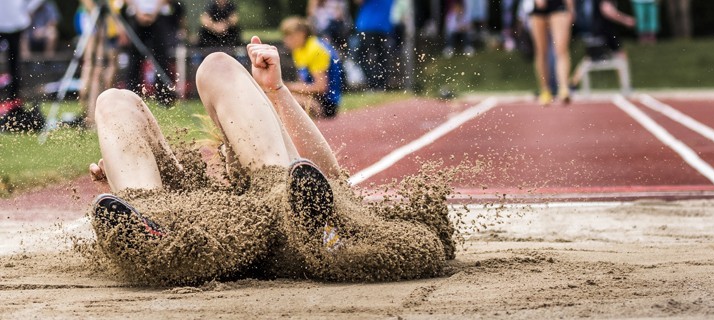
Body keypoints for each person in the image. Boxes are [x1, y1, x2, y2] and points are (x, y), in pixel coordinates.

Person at [87, 36, 452, 284]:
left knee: (217, 65)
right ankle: (142, 227)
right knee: (113, 101)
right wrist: (120, 183)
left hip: (280, 214)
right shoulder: (205, 194)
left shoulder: (287, 173)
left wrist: (276, 90)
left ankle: (320, 232)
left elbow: (328, 175)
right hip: (193, 228)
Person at [279, 17, 343, 118]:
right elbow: (303, 83)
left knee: (280, 99)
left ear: (302, 34)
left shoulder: (315, 49)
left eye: (290, 36)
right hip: (312, 98)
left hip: (327, 104)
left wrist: (288, 87)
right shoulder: (299, 50)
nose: (286, 40)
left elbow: (321, 87)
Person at [77, 0, 127, 127]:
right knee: (93, 67)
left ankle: (99, 109)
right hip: (94, 18)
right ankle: (89, 114)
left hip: (109, 22)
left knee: (109, 65)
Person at [122, 0, 177, 106]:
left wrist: (154, 12)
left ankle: (163, 95)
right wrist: (138, 12)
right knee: (134, 59)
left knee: (161, 58)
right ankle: (131, 94)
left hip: (159, 15)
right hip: (136, 16)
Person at [570, 0, 635, 88]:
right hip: (601, 31)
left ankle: (626, 84)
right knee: (591, 58)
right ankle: (573, 83)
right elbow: (607, 10)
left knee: (620, 55)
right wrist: (625, 20)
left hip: (606, 30)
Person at [528, 0, 574, 106]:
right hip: (539, 10)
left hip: (558, 6)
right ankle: (545, 90)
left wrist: (571, 8)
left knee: (561, 49)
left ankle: (563, 88)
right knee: (541, 51)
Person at [353, 0, 394, 90]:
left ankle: (373, 83)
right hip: (384, 26)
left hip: (368, 26)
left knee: (360, 56)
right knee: (382, 57)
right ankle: (381, 84)